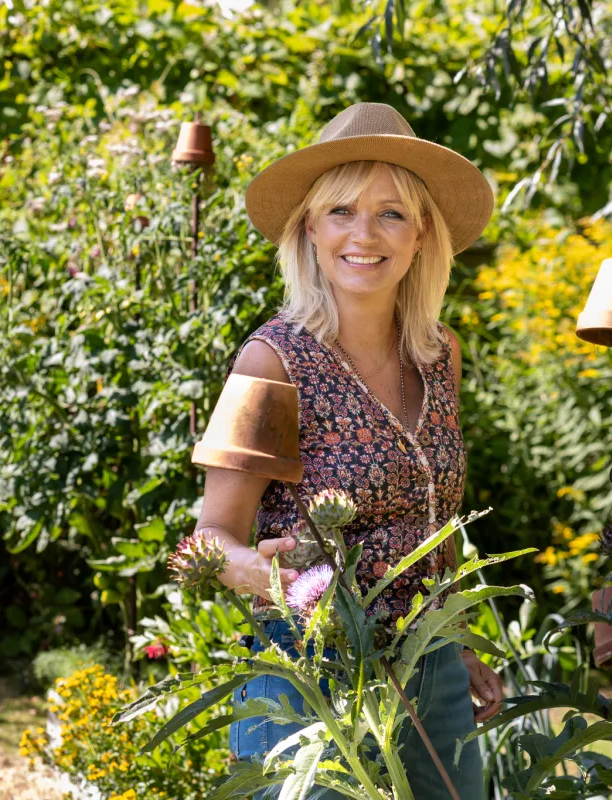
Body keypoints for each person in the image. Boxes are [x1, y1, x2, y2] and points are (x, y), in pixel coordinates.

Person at [194, 102, 504, 799]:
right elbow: (210, 539)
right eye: (341, 211)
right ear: (310, 227)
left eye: (391, 213)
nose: (365, 234)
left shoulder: (438, 354)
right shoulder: (271, 362)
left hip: (431, 674)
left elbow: (431, 518)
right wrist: (268, 579)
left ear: (422, 234)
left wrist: (458, 639)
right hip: (313, 685)